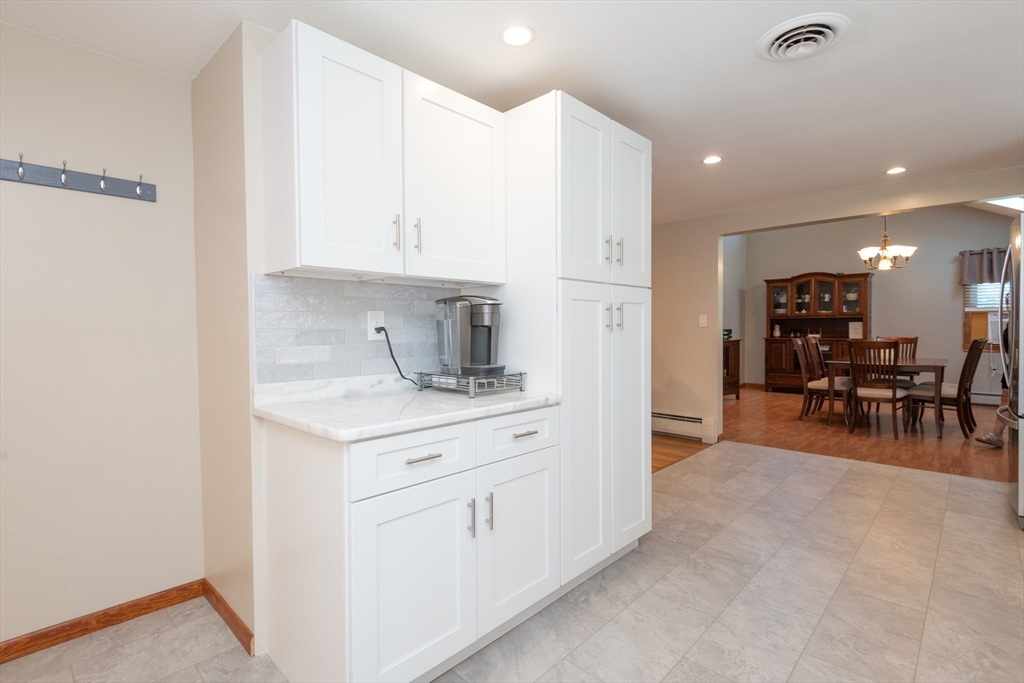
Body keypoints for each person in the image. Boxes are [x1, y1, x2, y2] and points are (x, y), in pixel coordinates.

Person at [977, 324, 1010, 447]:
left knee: (1009, 398)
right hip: (1013, 363)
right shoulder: (1015, 316)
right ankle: (997, 435)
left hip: (1018, 363)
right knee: (1005, 397)